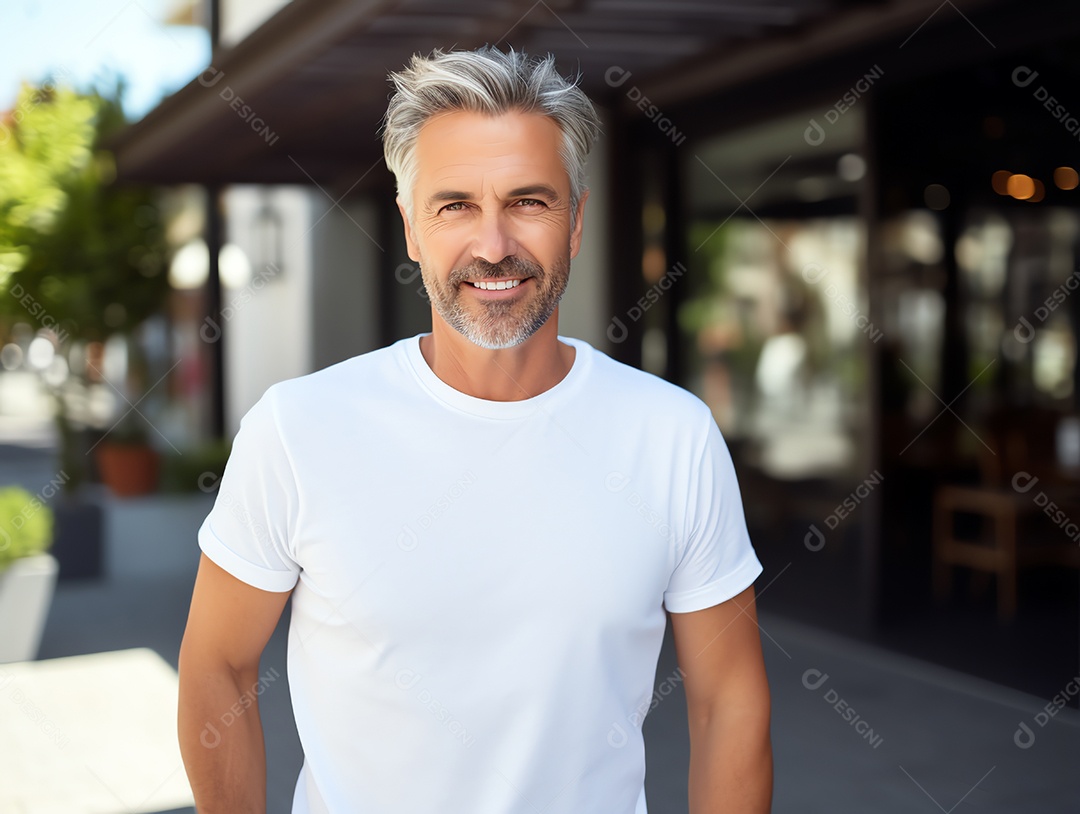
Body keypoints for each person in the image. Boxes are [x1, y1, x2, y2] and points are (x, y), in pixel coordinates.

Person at [178, 46, 772, 814]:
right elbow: (218, 666)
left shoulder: (672, 437)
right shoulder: (297, 430)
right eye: (455, 205)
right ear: (411, 228)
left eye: (528, 201)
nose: (493, 246)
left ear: (577, 222)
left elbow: (728, 703)